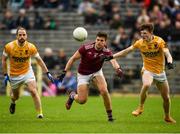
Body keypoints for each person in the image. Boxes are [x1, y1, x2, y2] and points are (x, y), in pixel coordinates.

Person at [103, 23, 176, 123]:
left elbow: (167, 53)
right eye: (141, 33)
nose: (143, 35)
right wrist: (112, 57)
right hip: (147, 70)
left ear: (151, 32)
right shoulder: (140, 42)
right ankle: (140, 107)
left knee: (166, 98)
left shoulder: (159, 41)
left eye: (145, 33)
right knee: (146, 84)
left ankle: (167, 117)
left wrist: (170, 62)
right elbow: (126, 51)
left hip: (160, 72)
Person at [57, 32, 123, 122]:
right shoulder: (85, 48)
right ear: (95, 40)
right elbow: (72, 59)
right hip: (83, 74)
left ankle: (110, 116)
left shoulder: (106, 51)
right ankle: (72, 96)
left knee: (104, 91)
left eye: (102, 40)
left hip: (96, 72)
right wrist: (64, 72)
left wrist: (118, 69)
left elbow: (113, 60)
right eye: (98, 40)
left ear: (105, 42)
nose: (99, 42)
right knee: (82, 100)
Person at [2, 26, 54, 118]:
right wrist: (6, 74)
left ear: (26, 36)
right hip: (14, 75)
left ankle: (40, 113)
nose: (22, 36)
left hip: (27, 72)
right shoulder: (9, 46)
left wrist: (47, 72)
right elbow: (3, 60)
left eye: (24, 35)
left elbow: (39, 60)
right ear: (16, 36)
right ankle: (13, 102)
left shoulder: (31, 47)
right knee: (15, 96)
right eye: (20, 35)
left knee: (33, 91)